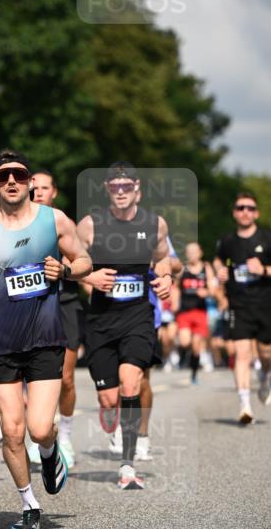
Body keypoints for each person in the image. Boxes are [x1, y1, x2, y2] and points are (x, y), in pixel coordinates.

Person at [0, 151, 92, 529]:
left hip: (45, 340)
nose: (12, 181)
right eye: (5, 176)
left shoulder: (55, 220)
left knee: (39, 428)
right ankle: (30, 504)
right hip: (0, 343)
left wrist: (66, 270)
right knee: (13, 432)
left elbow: (85, 261)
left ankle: (49, 452)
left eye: (19, 175)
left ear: (31, 182)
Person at [77, 162, 172, 490]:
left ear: (137, 189)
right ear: (107, 190)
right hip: (101, 321)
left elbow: (162, 258)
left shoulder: (154, 223)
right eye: (115, 187)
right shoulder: (90, 225)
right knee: (109, 398)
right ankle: (109, 407)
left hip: (137, 317)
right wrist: (90, 276)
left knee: (131, 384)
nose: (120, 192)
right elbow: (69, 262)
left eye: (126, 186)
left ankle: (128, 466)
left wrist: (166, 277)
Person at [30, 169, 82, 469]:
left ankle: (66, 435)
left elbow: (82, 263)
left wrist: (65, 268)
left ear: (54, 192)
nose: (38, 192)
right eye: (34, 187)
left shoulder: (63, 222)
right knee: (34, 374)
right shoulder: (17, 223)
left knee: (66, 377)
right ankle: (40, 431)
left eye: (44, 188)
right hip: (34, 305)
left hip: (64, 303)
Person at [214, 192, 271, 423]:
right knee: (242, 354)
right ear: (234, 213)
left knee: (266, 354)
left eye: (250, 208)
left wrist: (264, 270)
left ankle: (265, 375)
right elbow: (218, 260)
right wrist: (219, 271)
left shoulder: (267, 238)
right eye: (240, 208)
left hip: (266, 304)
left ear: (256, 213)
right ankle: (245, 406)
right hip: (239, 305)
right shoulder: (228, 241)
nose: (245, 211)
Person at [176, 242, 216, 385]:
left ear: (200, 253)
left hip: (200, 311)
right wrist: (174, 302)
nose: (192, 254)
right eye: (189, 251)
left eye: (195, 251)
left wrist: (207, 292)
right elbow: (176, 287)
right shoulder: (182, 268)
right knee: (185, 341)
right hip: (184, 311)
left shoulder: (206, 268)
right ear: (186, 254)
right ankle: (181, 355)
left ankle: (194, 374)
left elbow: (212, 289)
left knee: (196, 345)